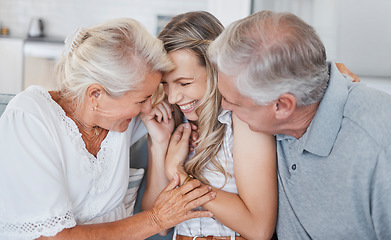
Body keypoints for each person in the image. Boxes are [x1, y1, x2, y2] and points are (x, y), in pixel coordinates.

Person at [0, 18, 216, 240]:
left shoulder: (120, 119)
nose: (150, 107)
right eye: (143, 99)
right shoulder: (30, 118)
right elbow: (54, 238)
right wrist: (155, 219)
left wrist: (160, 141)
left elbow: (194, 68)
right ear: (96, 95)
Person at [208, 10, 391, 239]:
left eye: (233, 102)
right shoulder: (280, 123)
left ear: (282, 106)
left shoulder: (379, 146)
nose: (224, 107)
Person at [140, 11, 278, 240]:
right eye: (165, 84)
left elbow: (258, 229)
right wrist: (159, 144)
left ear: (215, 69)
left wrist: (180, 175)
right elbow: (156, 225)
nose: (172, 97)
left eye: (184, 83)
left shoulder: (244, 120)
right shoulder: (174, 120)